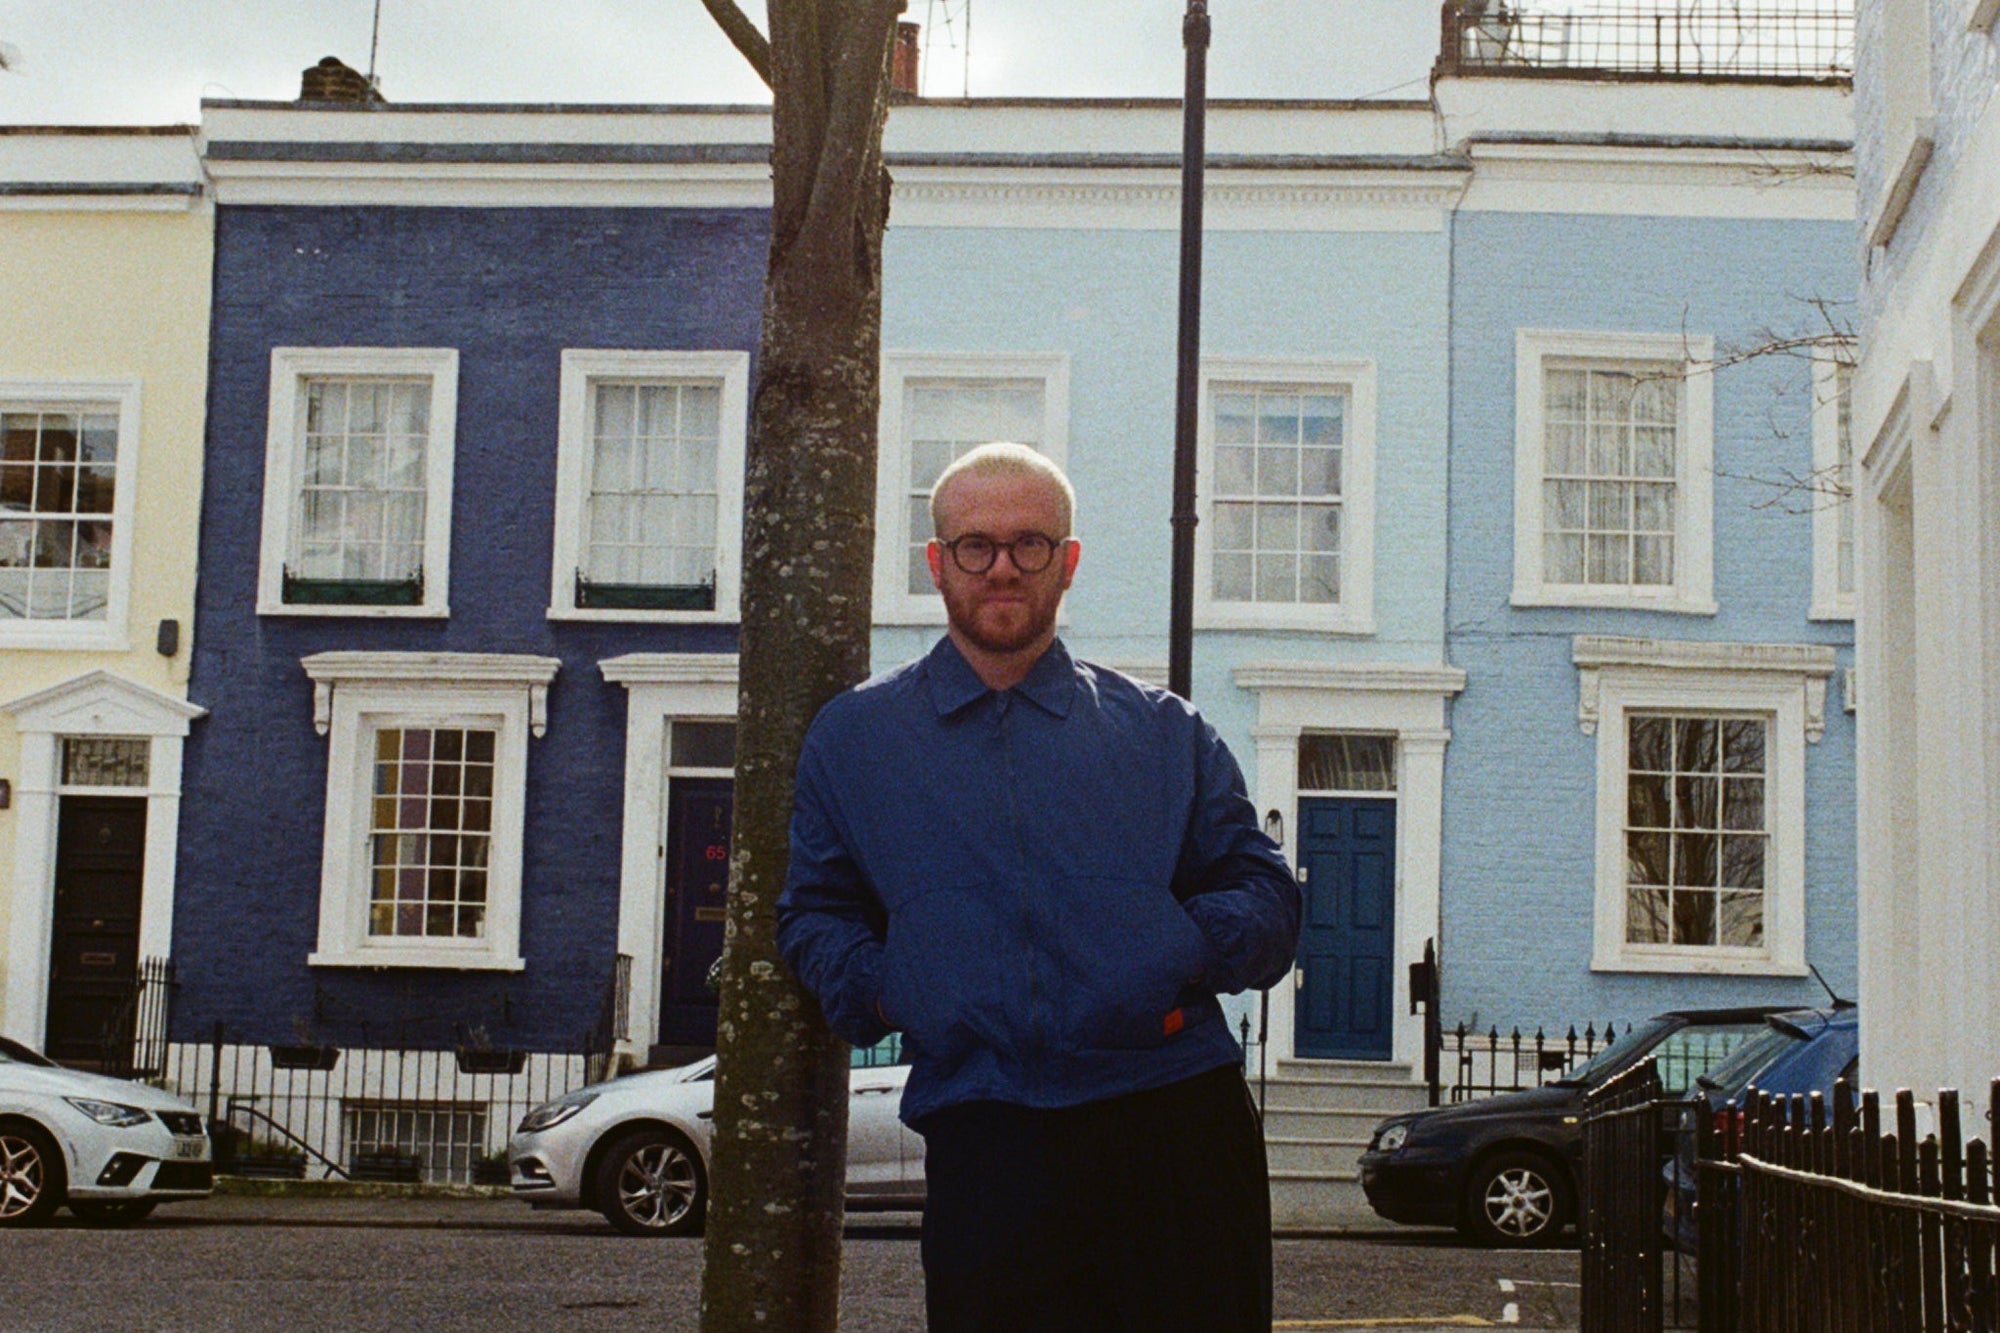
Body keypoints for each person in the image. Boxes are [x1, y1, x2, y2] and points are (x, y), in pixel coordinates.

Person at [776, 442, 1301, 1331]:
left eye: (1030, 543)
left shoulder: (1163, 731)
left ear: (1069, 560)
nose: (1003, 567)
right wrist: (896, 986)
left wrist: (1168, 947)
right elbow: (814, 914)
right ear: (937, 562)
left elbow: (1266, 895)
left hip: (1175, 1123)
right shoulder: (856, 739)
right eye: (975, 545)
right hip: (987, 1140)